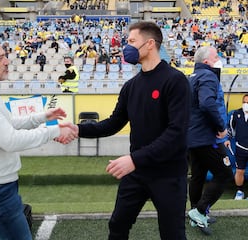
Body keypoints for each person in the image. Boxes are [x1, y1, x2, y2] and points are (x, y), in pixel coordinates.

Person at [59, 21, 191, 239]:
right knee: (117, 225)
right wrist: (78, 129)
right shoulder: (131, 86)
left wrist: (134, 159)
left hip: (168, 175)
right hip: (136, 173)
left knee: (172, 234)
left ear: (150, 44)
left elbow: (176, 134)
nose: (125, 47)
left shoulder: (176, 81)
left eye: (131, 41)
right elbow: (112, 123)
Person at [0, 37, 77, 240]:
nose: (7, 61)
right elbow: (11, 140)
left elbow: (8, 124)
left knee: (0, 235)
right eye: (0, 58)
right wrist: (54, 132)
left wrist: (44, 118)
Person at [187, 46, 233, 232]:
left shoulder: (191, 77)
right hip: (206, 137)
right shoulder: (208, 76)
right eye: (216, 56)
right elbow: (207, 103)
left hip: (192, 136)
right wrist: (221, 127)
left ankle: (195, 215)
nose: (219, 58)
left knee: (198, 176)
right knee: (224, 173)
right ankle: (199, 211)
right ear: (206, 62)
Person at [226, 94, 248, 200]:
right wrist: (227, 139)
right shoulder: (236, 114)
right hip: (241, 147)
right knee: (240, 170)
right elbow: (230, 128)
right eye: (244, 102)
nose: (246, 104)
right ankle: (240, 191)